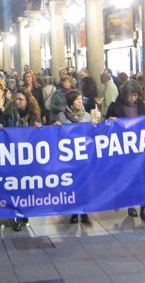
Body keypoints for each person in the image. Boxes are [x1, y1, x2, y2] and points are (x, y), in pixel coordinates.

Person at [106, 79, 145, 220]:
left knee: (142, 177)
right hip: (124, 149)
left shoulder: (142, 106)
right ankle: (130, 203)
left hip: (140, 148)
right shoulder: (115, 107)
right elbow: (106, 125)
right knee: (128, 178)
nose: (134, 98)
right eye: (132, 95)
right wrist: (110, 121)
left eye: (136, 95)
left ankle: (144, 206)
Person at [3, 88, 42, 232]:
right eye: (16, 99)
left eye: (21, 99)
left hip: (27, 155)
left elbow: (39, 134)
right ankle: (17, 216)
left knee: (26, 186)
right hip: (12, 153)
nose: (18, 102)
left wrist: (38, 128)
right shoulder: (9, 112)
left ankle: (24, 212)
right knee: (15, 186)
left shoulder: (34, 114)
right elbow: (5, 127)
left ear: (27, 101)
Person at [56, 89, 92, 225]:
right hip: (68, 157)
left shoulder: (87, 116)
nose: (80, 101)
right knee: (72, 185)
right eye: (77, 99)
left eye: (81, 99)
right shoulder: (62, 116)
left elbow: (90, 134)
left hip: (83, 155)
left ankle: (84, 212)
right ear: (71, 103)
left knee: (84, 184)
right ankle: (73, 212)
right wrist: (57, 127)